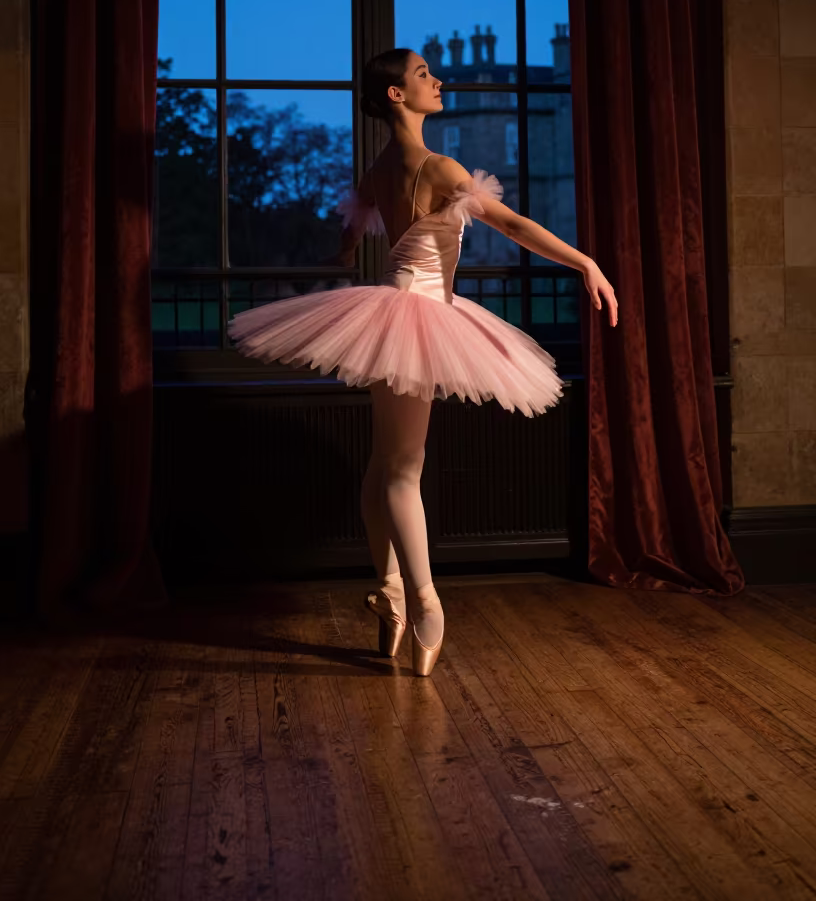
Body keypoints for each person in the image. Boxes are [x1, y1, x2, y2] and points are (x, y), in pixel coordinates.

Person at [228, 48, 618, 677]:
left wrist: (335, 267)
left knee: (387, 461)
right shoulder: (436, 166)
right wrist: (586, 264)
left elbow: (350, 238)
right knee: (403, 470)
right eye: (422, 76)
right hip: (416, 315)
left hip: (397, 310)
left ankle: (388, 593)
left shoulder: (382, 166)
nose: (438, 81)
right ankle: (426, 605)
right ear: (396, 97)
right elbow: (513, 225)